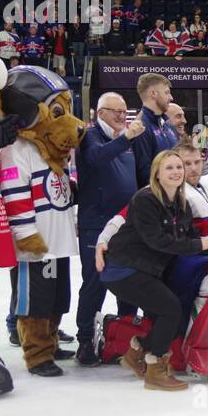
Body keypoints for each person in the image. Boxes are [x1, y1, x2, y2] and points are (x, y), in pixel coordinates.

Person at [99, 151, 208, 391]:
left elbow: (188, 235)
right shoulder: (146, 199)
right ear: (157, 174)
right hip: (124, 269)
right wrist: (198, 245)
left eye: (178, 167)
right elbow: (157, 240)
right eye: (169, 168)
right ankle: (155, 368)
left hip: (147, 271)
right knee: (171, 309)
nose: (176, 172)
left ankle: (136, 352)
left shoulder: (181, 202)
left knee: (168, 319)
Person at [75, 93, 145, 363]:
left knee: (128, 281)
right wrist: (126, 138)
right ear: (99, 113)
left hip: (126, 225)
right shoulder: (90, 135)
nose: (121, 116)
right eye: (115, 111)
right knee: (95, 282)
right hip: (96, 224)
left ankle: (125, 338)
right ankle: (85, 340)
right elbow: (95, 158)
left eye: (124, 112)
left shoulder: (126, 139)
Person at [130, 72, 178, 190]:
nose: (171, 98)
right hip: (156, 199)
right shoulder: (141, 127)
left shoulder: (167, 125)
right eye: (166, 92)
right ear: (153, 94)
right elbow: (144, 174)